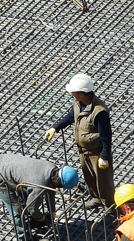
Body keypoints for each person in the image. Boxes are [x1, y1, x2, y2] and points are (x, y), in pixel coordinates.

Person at [43, 73, 115, 210]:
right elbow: (71, 117)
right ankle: (96, 199)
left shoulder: (99, 111)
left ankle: (110, 208)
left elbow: (106, 135)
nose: (71, 94)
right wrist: (55, 128)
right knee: (89, 178)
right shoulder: (79, 103)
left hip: (97, 153)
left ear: (82, 93)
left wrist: (105, 156)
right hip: (83, 150)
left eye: (74, 92)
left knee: (103, 181)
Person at [0, 153, 78, 241]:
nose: (59, 188)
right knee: (17, 209)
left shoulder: (52, 169)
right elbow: (31, 207)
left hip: (5, 161)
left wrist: (52, 212)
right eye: (60, 186)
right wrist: (41, 218)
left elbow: (51, 191)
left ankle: (30, 223)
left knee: (26, 199)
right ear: (58, 182)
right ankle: (26, 239)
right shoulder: (38, 186)